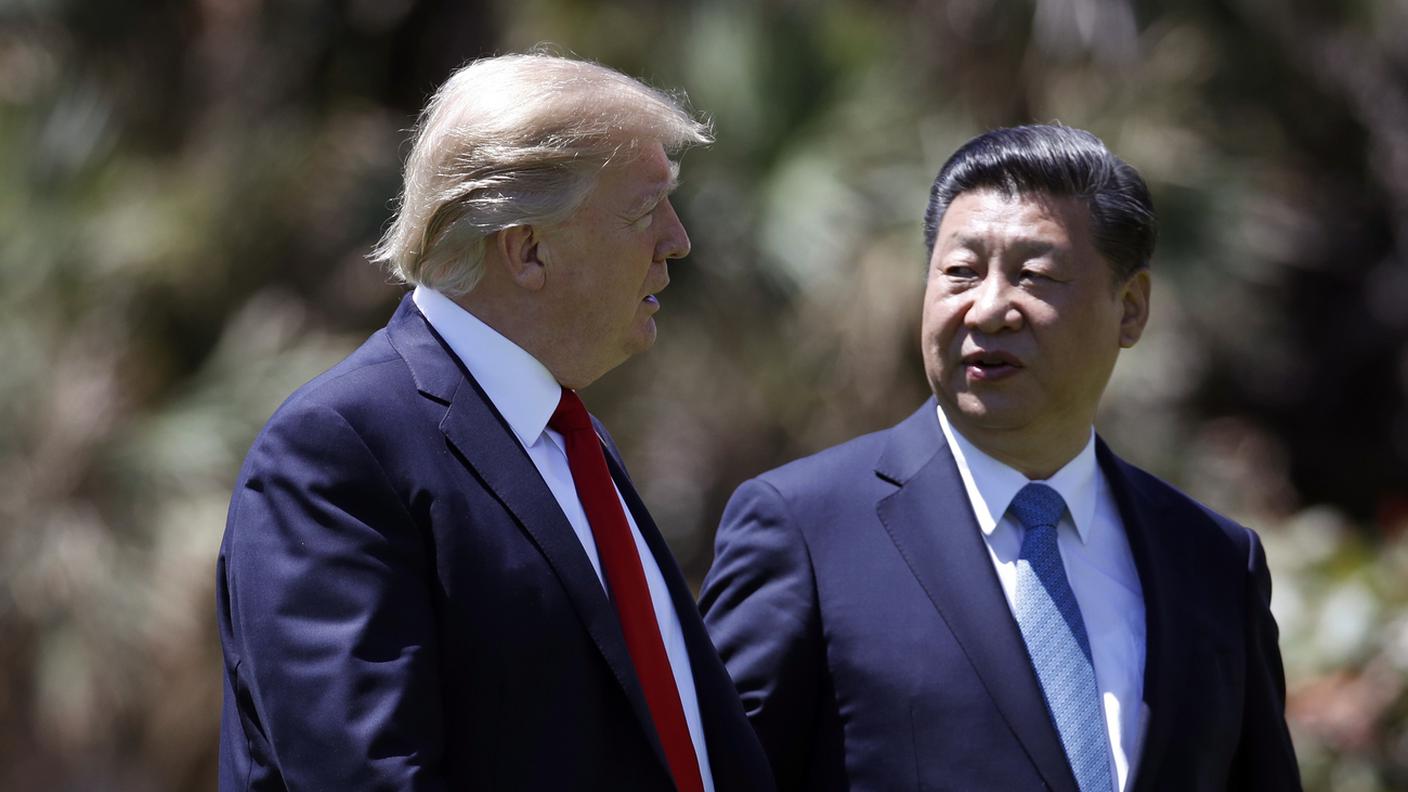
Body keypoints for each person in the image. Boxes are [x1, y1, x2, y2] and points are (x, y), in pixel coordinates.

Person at [216, 53, 773, 791]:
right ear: (528, 249)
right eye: (644, 212)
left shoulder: (571, 440)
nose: (677, 240)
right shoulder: (338, 453)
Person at [699, 124, 1301, 791]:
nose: (986, 309)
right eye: (959, 272)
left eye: (1033, 276)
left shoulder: (1214, 562)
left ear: (1130, 309)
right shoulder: (807, 530)